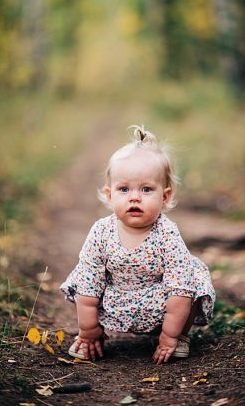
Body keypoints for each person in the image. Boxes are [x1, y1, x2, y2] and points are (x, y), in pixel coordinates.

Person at [60, 126, 215, 364]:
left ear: (164, 197)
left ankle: (180, 336)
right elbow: (89, 283)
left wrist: (170, 335)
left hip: (161, 304)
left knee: (193, 276)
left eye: (146, 189)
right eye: (124, 189)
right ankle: (93, 338)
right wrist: (88, 329)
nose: (135, 197)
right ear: (110, 196)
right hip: (114, 300)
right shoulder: (101, 232)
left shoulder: (167, 234)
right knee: (82, 276)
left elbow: (180, 287)